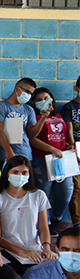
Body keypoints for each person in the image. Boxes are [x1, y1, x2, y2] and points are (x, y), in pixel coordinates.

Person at [0, 156, 58, 276]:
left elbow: (43, 228)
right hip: (10, 251)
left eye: (24, 172)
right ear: (7, 174)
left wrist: (46, 248)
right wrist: (23, 252)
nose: (20, 176)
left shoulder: (39, 195)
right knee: (35, 274)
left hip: (36, 249)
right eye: (15, 172)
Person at [29, 87, 74, 235]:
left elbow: (64, 134)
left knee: (66, 190)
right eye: (39, 99)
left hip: (61, 159)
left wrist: (68, 145)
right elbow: (33, 139)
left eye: (46, 98)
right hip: (42, 159)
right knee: (44, 192)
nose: (43, 101)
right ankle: (45, 223)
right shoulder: (33, 117)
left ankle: (56, 220)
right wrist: (51, 149)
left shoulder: (59, 115)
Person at [0, 77, 37, 163]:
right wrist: (9, 151)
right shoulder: (1, 106)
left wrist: (43, 117)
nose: (29, 95)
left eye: (31, 94)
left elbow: (32, 134)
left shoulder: (29, 110)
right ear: (17, 88)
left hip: (25, 154)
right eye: (27, 91)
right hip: (6, 155)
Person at [59, 75, 80, 227]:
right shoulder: (69, 107)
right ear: (76, 88)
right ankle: (77, 221)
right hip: (75, 151)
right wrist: (75, 148)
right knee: (76, 188)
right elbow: (69, 130)